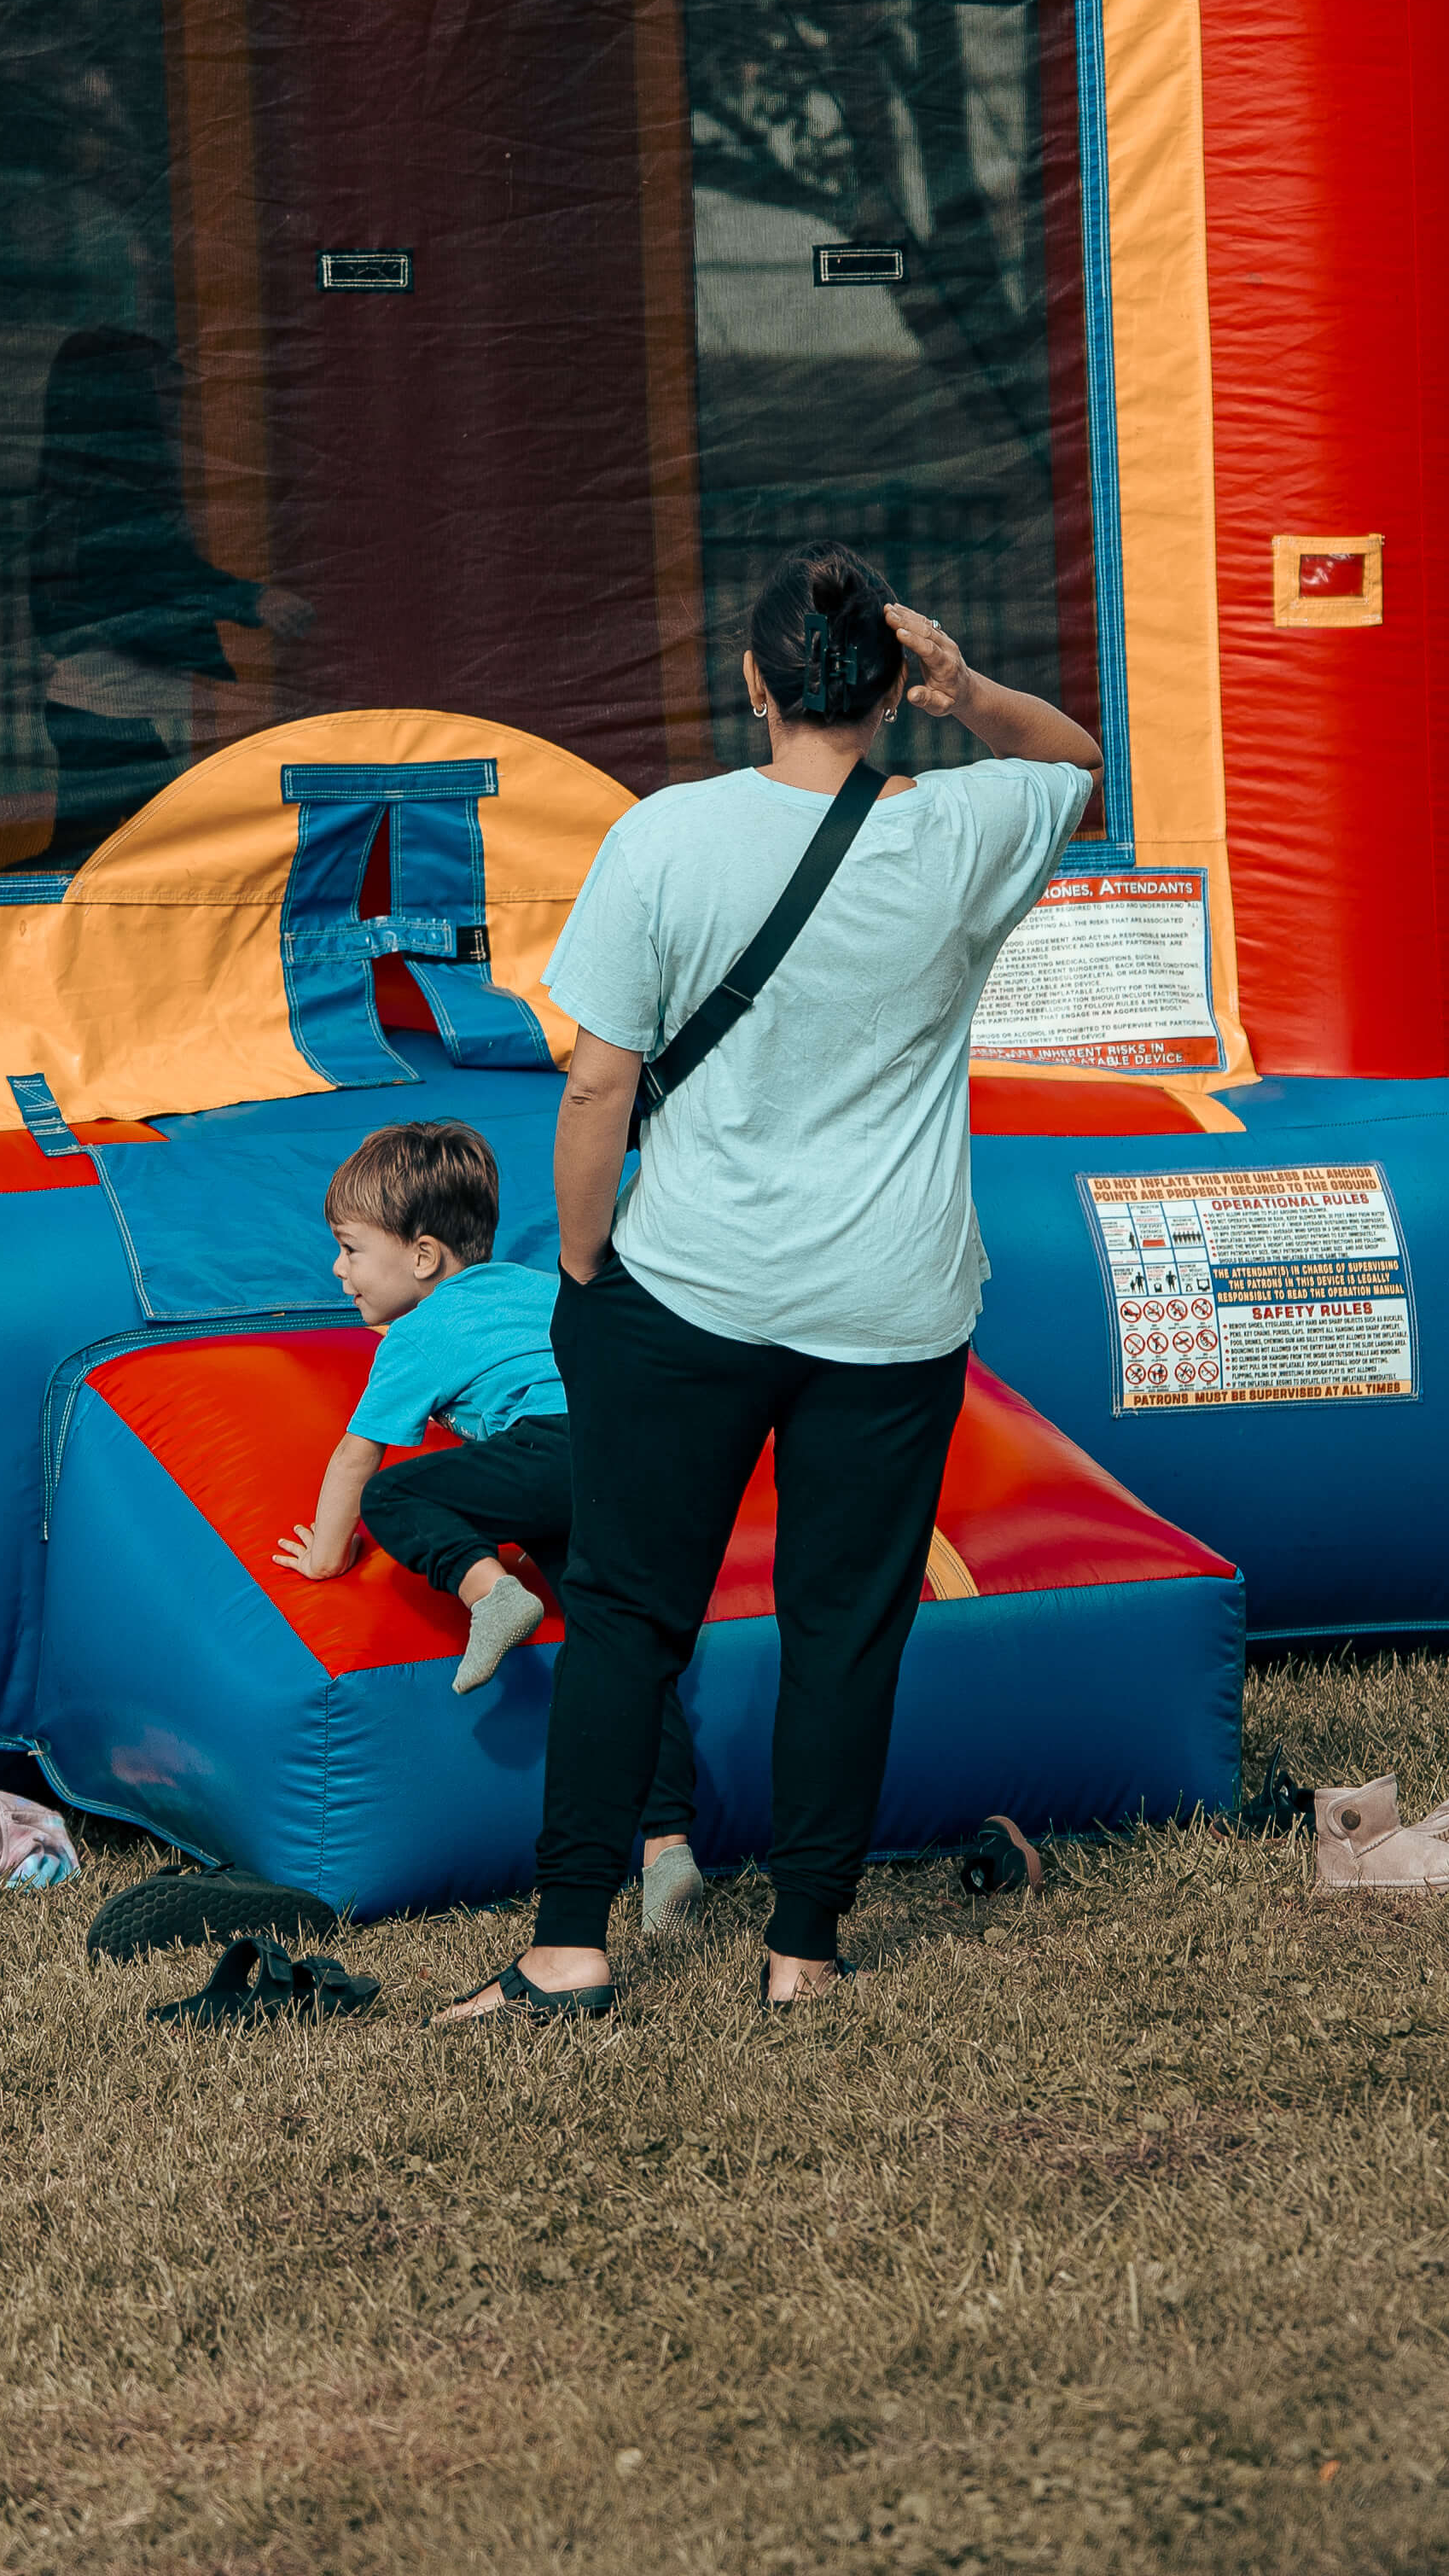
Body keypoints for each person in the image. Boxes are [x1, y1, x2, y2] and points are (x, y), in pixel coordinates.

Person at [435, 549, 1102, 2023]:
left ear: (754, 684)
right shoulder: (970, 830)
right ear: (887, 687)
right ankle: (803, 1947)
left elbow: (598, 1080)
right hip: (893, 1304)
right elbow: (1077, 761)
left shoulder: (672, 835)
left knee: (626, 1613)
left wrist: (590, 1261)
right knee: (846, 1624)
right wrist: (971, 688)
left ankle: (567, 1947)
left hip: (684, 1292)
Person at [270, 1121, 711, 1938]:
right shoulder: (534, 1287)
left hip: (552, 1451)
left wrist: (329, 1556)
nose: (338, 1271)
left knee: (399, 1499)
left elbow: (355, 1459)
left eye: (351, 1250)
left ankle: (491, 1594)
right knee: (625, 1651)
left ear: (424, 1258)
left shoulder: (419, 1331)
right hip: (632, 1457)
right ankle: (668, 1849)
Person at [31, 326, 285, 870]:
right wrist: (252, 601)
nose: (179, 401)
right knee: (171, 845)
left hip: (100, 702)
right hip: (113, 703)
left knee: (92, 852)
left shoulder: (83, 488)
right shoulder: (116, 495)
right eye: (164, 389)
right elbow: (158, 581)